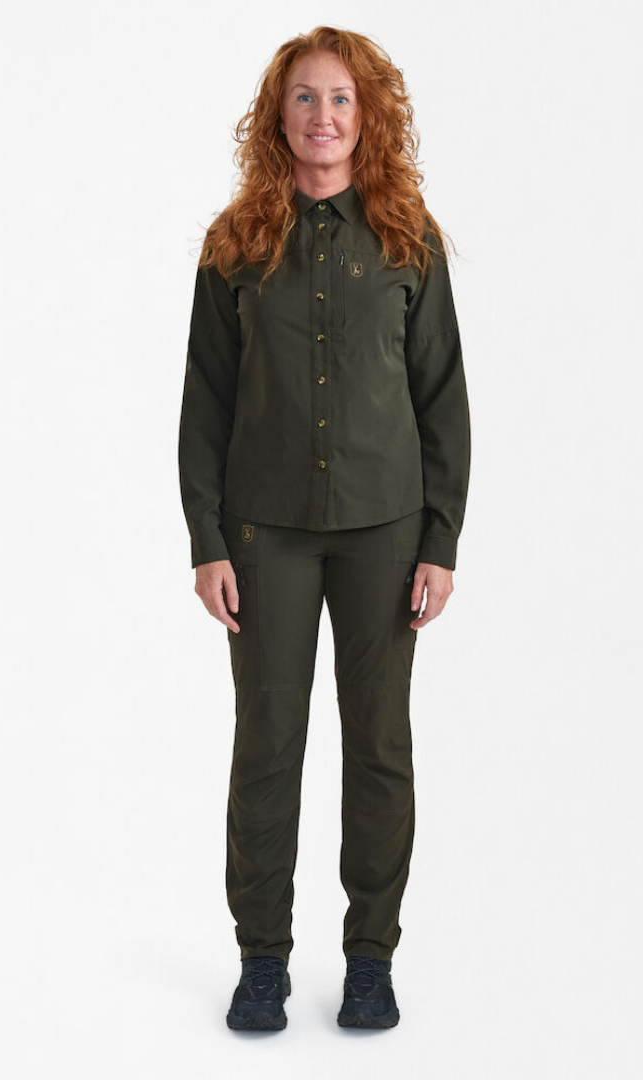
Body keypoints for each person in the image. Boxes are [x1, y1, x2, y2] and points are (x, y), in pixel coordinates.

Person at [177, 26, 471, 1031]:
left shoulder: (408, 239)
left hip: (386, 530)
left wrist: (441, 540)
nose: (324, 116)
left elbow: (442, 396)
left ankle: (370, 959)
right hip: (265, 534)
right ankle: (262, 959)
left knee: (378, 745)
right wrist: (207, 539)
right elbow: (205, 401)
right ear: (278, 115)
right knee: (267, 746)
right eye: (305, 97)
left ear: (368, 114)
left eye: (342, 98)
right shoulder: (236, 244)